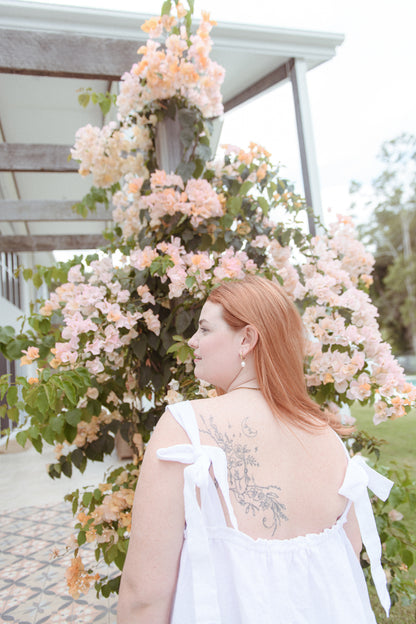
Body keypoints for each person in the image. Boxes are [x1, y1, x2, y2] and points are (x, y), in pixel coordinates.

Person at [117, 275, 393, 624]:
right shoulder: (330, 439)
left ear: (246, 339)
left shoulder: (186, 428)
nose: (192, 341)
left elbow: (144, 594)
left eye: (204, 329)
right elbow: (345, 564)